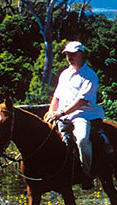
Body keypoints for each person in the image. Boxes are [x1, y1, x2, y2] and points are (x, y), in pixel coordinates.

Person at [45, 40, 105, 188]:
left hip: (83, 115)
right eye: (67, 54)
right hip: (62, 114)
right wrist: (51, 112)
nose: (69, 57)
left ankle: (86, 175)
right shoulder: (64, 74)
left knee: (82, 139)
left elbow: (82, 101)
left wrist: (60, 113)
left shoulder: (90, 75)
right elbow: (57, 96)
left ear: (81, 54)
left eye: (72, 54)